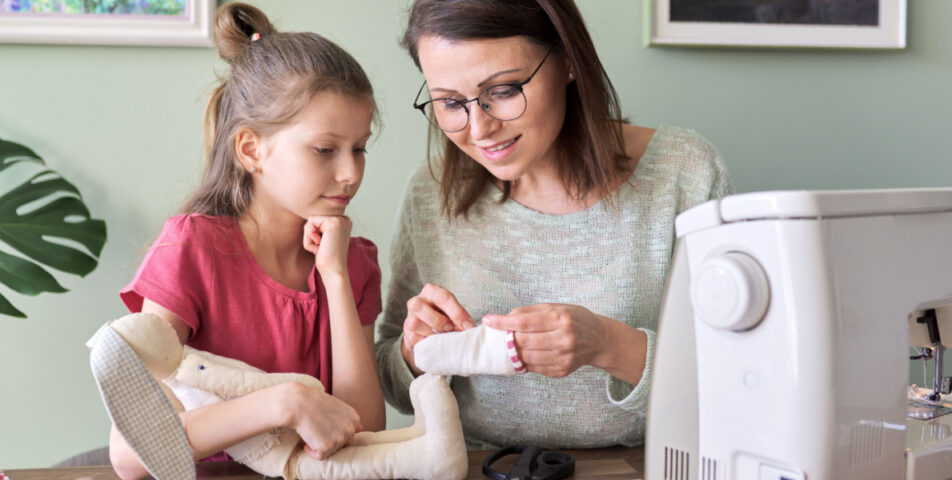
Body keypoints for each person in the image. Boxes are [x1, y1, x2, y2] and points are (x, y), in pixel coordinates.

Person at [375, 0, 733, 450]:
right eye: (450, 102)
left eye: (503, 90)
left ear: (566, 60)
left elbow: (735, 372)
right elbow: (392, 383)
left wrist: (607, 344)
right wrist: (413, 351)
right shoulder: (430, 191)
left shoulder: (684, 172)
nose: (479, 128)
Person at [108, 3, 384, 478]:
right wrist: (282, 404)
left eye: (359, 149)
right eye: (325, 150)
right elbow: (132, 451)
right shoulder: (192, 250)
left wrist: (334, 277)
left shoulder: (353, 262)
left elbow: (364, 434)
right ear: (252, 149)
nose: (350, 174)